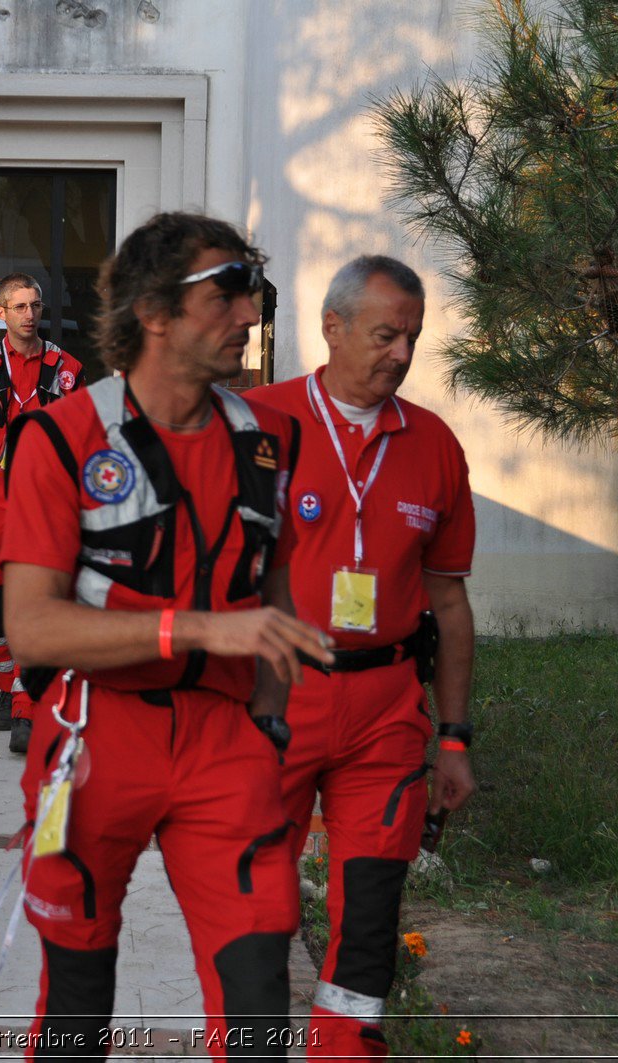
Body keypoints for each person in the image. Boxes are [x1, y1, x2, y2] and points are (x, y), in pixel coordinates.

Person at [1, 212, 333, 1059]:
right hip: (93, 736)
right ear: (154, 310)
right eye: (225, 294)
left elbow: (276, 603)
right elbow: (31, 626)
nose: (249, 314)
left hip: (226, 744)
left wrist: (267, 725)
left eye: (251, 293)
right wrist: (198, 628)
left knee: (259, 1008)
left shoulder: (269, 440)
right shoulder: (62, 436)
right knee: (77, 1008)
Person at [247, 256, 477, 1060]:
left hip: (383, 711)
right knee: (251, 913)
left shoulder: (435, 446)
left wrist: (454, 735)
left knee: (371, 916)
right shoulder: (254, 424)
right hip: (271, 703)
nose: (401, 354)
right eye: (386, 334)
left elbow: (448, 603)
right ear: (333, 327)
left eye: (412, 337)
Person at [0, 273, 84, 753]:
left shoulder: (68, 368)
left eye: (35, 305)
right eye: (19, 306)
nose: (29, 314)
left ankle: (27, 701)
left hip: (47, 508)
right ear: (0, 313)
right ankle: (7, 689)